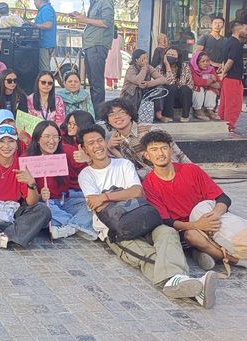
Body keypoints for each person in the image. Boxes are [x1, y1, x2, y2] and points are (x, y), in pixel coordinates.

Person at [77, 125, 217, 308]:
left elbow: (137, 191)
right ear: (84, 149)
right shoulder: (86, 175)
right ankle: (192, 288)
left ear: (105, 142)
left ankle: (183, 284)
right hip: (117, 230)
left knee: (168, 234)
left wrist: (105, 196)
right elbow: (99, 207)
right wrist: (121, 195)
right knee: (146, 254)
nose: (97, 146)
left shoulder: (124, 164)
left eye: (99, 140)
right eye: (91, 143)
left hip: (145, 219)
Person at [141, 130, 245, 272]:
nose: (160, 153)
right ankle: (236, 260)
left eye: (164, 148)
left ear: (171, 150)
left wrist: (214, 215)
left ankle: (203, 252)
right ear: (147, 155)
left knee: (233, 229)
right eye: (154, 149)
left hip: (209, 217)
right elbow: (166, 221)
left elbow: (223, 198)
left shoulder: (191, 170)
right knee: (193, 236)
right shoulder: (149, 184)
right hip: (186, 227)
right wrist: (197, 225)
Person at [23, 121, 96, 240]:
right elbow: (26, 196)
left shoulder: (66, 150)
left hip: (64, 200)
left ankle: (70, 227)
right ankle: (78, 224)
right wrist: (40, 195)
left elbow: (93, 171)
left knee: (93, 205)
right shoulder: (27, 158)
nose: (52, 141)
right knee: (42, 212)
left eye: (55, 136)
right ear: (37, 139)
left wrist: (87, 160)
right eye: (47, 136)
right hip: (44, 204)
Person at [102, 98, 190, 177]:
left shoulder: (151, 130)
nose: (117, 116)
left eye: (122, 112)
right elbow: (129, 169)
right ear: (108, 121)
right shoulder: (114, 141)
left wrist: (193, 172)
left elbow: (176, 155)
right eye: (111, 114)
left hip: (173, 174)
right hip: (146, 181)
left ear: (130, 115)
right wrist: (111, 149)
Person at [70, 0, 114, 109]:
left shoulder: (105, 0)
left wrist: (84, 19)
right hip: (91, 45)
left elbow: (106, 22)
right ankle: (95, 110)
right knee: (92, 82)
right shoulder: (95, 2)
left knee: (96, 82)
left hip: (97, 45)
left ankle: (100, 113)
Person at [121, 49, 169, 122]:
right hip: (131, 96)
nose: (146, 61)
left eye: (146, 58)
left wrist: (148, 84)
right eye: (143, 59)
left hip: (144, 92)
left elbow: (163, 79)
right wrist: (143, 68)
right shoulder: (131, 69)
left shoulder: (149, 67)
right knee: (137, 88)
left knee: (160, 88)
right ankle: (134, 114)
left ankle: (158, 114)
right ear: (136, 60)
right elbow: (138, 81)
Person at [218, 21, 246, 133]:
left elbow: (225, 60)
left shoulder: (228, 41)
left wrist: (223, 73)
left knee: (225, 103)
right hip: (233, 78)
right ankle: (228, 126)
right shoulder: (236, 43)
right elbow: (230, 61)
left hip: (228, 79)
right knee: (234, 104)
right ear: (239, 30)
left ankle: (222, 124)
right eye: (245, 29)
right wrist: (224, 72)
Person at [157, 48, 193, 122]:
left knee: (185, 88)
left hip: (182, 98)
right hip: (167, 99)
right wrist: (167, 66)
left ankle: (185, 116)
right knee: (171, 87)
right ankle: (168, 115)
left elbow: (184, 83)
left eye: (173, 55)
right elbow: (169, 83)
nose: (170, 56)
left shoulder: (184, 66)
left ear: (177, 58)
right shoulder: (159, 68)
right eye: (168, 54)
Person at [189, 50, 221, 121]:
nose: (206, 63)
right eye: (203, 61)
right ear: (197, 62)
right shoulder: (192, 68)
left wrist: (208, 83)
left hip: (206, 91)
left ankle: (209, 110)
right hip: (193, 92)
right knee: (199, 88)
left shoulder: (211, 69)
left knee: (211, 91)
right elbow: (198, 82)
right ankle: (197, 110)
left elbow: (219, 84)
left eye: (207, 61)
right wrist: (212, 80)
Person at [31, 0, 57, 72]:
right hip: (45, 43)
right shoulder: (44, 9)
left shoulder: (46, 9)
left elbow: (48, 25)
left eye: (34, 0)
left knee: (44, 70)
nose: (34, 3)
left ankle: (46, 83)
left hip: (45, 44)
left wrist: (35, 25)